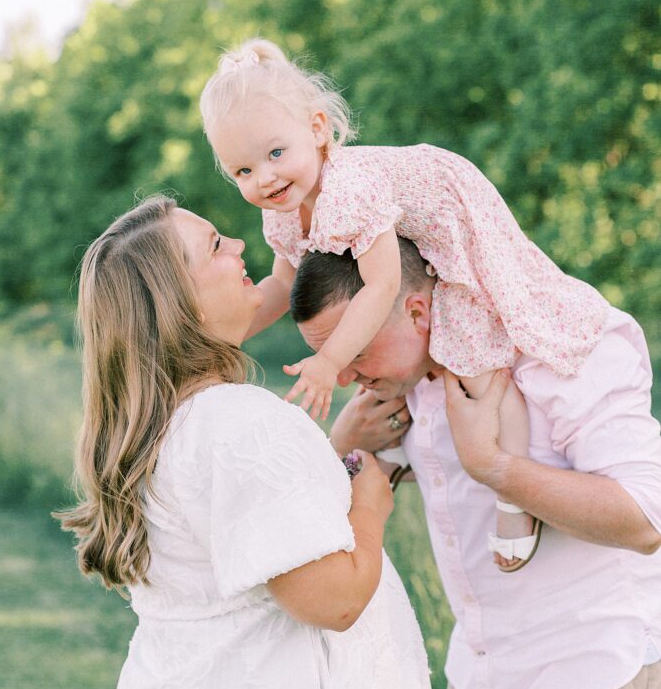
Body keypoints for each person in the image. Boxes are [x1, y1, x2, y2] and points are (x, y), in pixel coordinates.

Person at [57, 195, 468, 689]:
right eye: (214, 246)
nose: (241, 250)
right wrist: (368, 500)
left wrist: (330, 456)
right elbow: (330, 598)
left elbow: (251, 534)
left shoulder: (166, 428)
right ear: (176, 303)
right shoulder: (240, 423)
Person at [289, 239, 661, 689]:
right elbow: (345, 499)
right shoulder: (401, 384)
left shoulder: (563, 349)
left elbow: (644, 517)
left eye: (353, 348)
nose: (346, 373)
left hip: (592, 669)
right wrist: (340, 444)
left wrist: (492, 466)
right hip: (480, 678)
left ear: (413, 310)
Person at [199, 38, 609, 570]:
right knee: (421, 352)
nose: (266, 178)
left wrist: (328, 362)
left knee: (474, 356)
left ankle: (514, 493)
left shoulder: (348, 189)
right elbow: (280, 284)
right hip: (408, 239)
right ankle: (406, 449)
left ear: (319, 131)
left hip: (452, 216)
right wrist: (216, 336)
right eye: (243, 172)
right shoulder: (283, 206)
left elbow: (381, 287)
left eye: (276, 154)